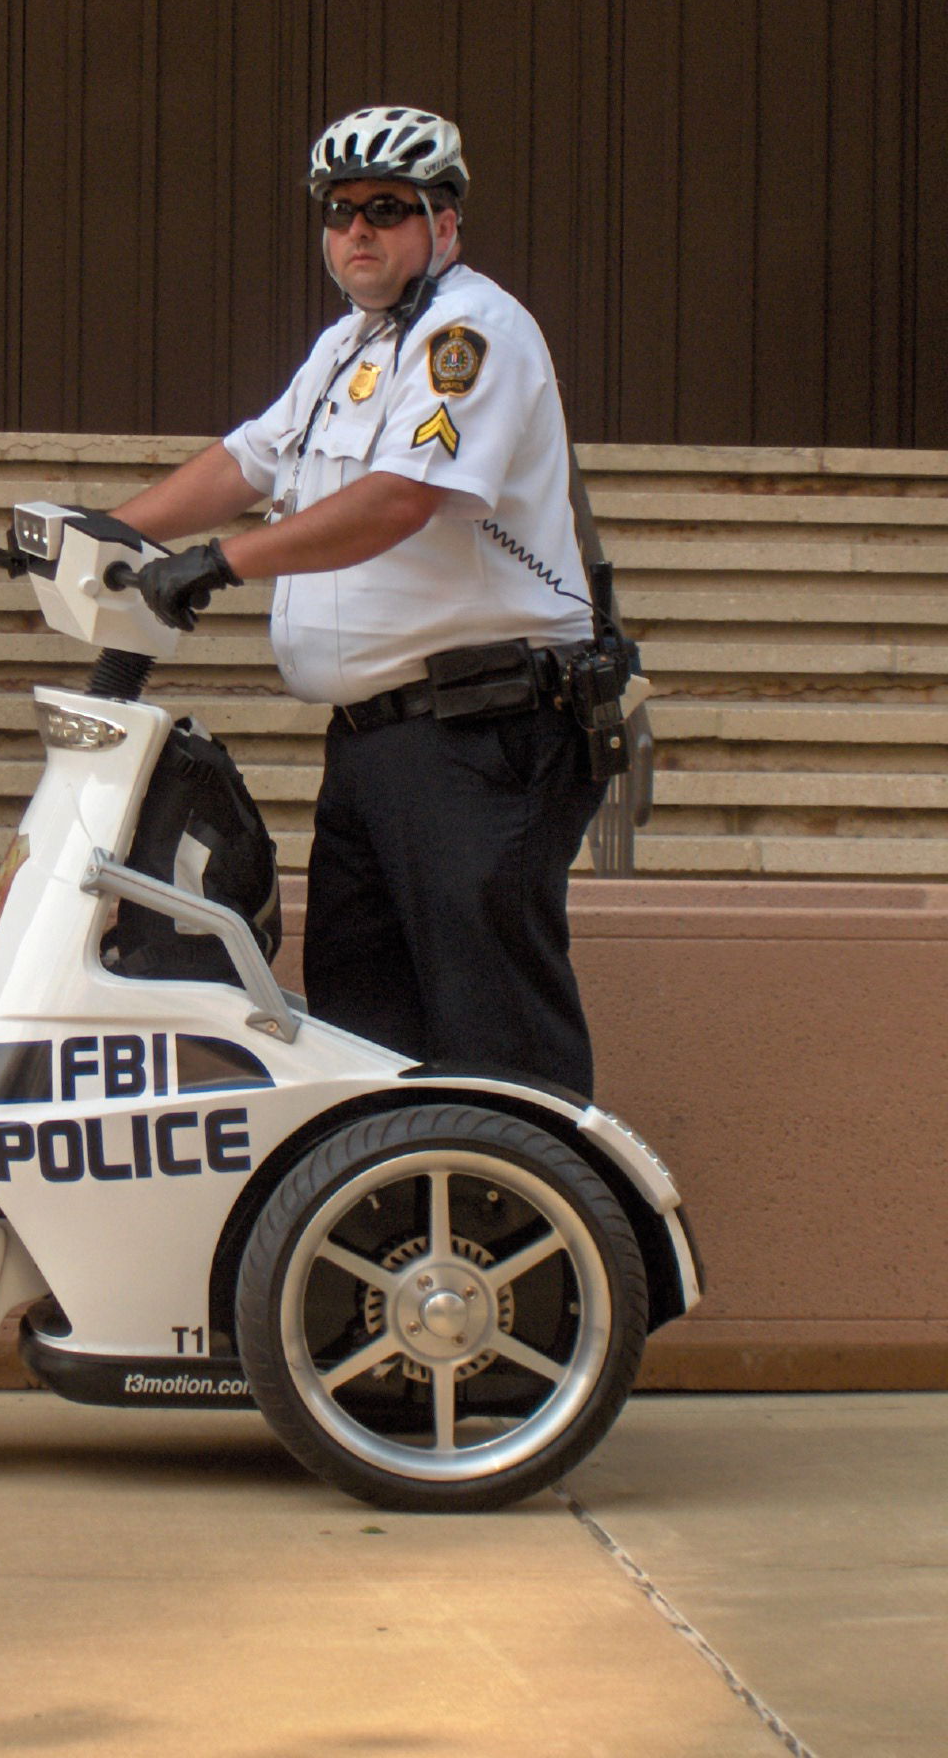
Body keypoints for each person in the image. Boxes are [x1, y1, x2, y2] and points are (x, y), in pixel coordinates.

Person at [112, 104, 612, 1097]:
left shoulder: (472, 333)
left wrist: (221, 562)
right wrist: (105, 535)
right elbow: (247, 458)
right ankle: (398, 1228)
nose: (357, 231)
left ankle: (555, 1234)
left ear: (446, 222)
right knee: (363, 1025)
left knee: (492, 1028)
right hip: (379, 742)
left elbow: (401, 500)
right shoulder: (354, 346)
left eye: (387, 208)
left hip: (485, 732)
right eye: (338, 212)